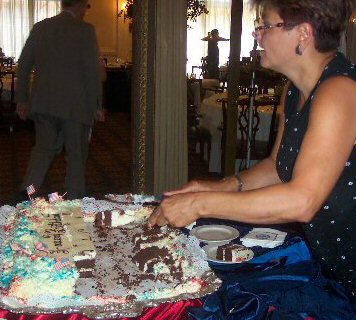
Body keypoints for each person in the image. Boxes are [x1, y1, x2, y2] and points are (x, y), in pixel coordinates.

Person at [151, 0, 356, 305]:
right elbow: (276, 166)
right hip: (331, 261)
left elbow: (303, 201)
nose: (257, 35)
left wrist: (200, 204)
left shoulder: (339, 91)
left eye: (265, 25)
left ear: (303, 33)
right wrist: (219, 186)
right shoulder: (295, 91)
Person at [16, 0, 104, 200]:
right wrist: (97, 105)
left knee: (42, 151)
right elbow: (92, 72)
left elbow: (24, 65)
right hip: (76, 106)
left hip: (44, 104)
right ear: (81, 5)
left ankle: (27, 192)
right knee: (75, 156)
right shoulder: (85, 30)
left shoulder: (41, 27)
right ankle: (74, 198)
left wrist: (22, 99)